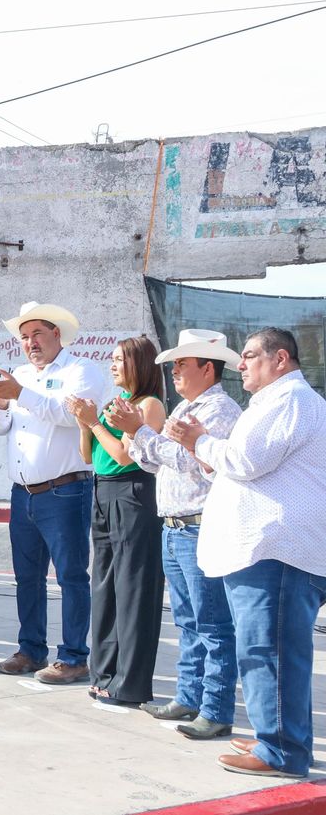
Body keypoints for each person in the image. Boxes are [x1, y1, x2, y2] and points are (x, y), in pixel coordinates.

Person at [167, 327, 326, 779]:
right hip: (272, 552)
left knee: (267, 654)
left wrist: (197, 439)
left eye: (251, 356)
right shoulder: (281, 403)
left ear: (281, 359)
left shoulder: (288, 401)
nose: (241, 364)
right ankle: (281, 740)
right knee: (274, 654)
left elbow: (244, 461)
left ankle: (280, 752)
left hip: (274, 553)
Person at [112, 329, 242, 740]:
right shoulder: (186, 408)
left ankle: (215, 708)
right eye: (174, 365)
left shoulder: (219, 410)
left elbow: (191, 460)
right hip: (175, 526)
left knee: (212, 623)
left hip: (199, 526)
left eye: (183, 364)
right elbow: (154, 462)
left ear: (209, 367)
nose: (175, 372)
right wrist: (136, 433)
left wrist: (141, 432)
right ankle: (189, 697)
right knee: (188, 621)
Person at [0, 302, 111, 684]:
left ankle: (74, 655)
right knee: (27, 576)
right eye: (24, 337)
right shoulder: (20, 374)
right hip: (22, 491)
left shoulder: (82, 370)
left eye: (37, 334)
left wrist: (20, 393)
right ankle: (31, 649)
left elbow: (69, 414)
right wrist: (1, 402)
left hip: (65, 489)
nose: (30, 343)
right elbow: (0, 427)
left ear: (57, 333)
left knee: (71, 575)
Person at [65, 336, 165, 709]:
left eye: (119, 359)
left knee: (133, 590)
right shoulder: (114, 404)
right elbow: (88, 455)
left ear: (139, 364)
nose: (112, 365)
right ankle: (104, 674)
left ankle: (130, 683)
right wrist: (84, 424)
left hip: (133, 493)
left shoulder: (149, 405)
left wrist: (96, 423)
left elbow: (125, 456)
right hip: (102, 492)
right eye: (111, 359)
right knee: (104, 588)